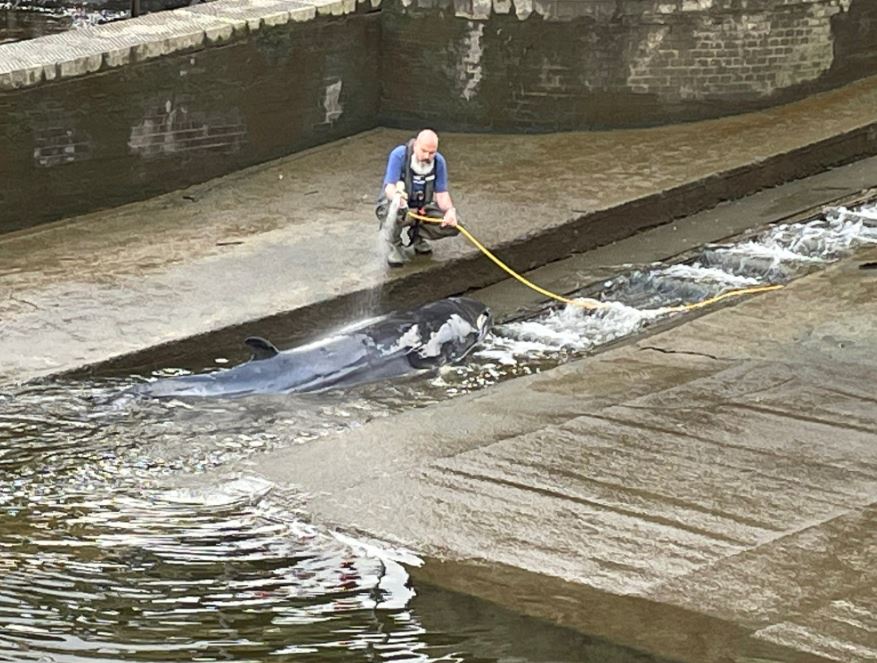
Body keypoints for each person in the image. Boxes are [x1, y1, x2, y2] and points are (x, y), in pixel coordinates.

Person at [375, 129, 459, 267]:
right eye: (424, 151)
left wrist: (450, 211)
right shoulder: (399, 155)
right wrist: (398, 197)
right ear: (415, 146)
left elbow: (442, 194)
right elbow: (389, 187)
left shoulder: (438, 162)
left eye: (432, 153)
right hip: (402, 206)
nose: (427, 156)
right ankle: (394, 244)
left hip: (422, 208)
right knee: (395, 209)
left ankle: (417, 235)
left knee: (456, 225)